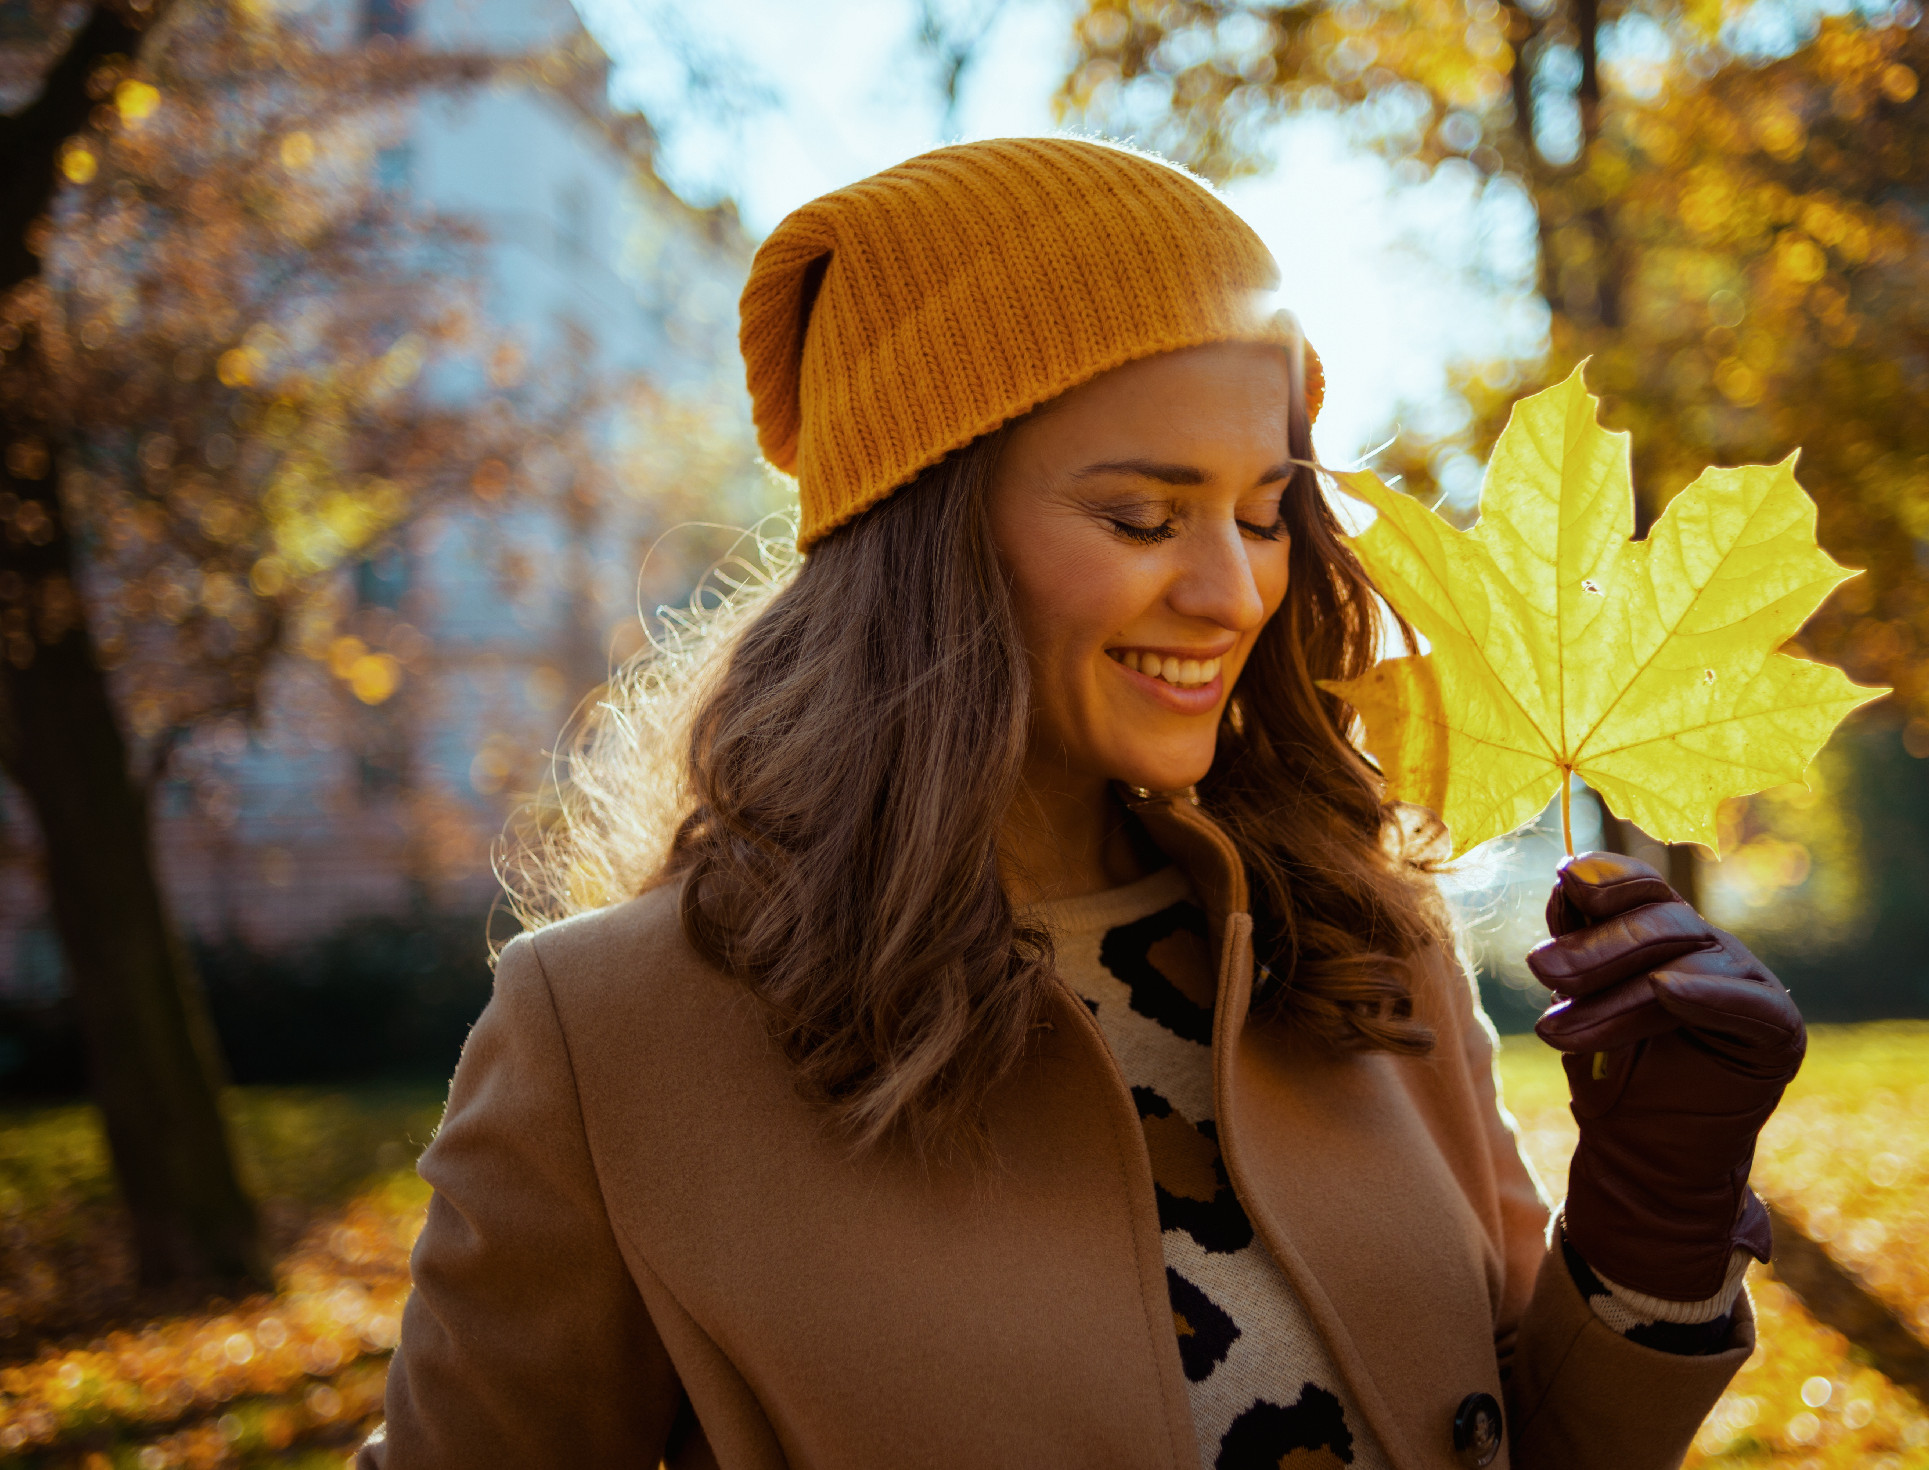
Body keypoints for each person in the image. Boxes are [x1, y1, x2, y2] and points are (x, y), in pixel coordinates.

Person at [356, 136, 1805, 1470]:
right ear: (925, 531)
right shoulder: (613, 1039)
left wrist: (1646, 1234)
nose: (1234, 590)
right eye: (1139, 516)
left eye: (1260, 511)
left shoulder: (1362, 935)